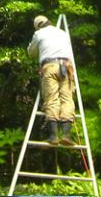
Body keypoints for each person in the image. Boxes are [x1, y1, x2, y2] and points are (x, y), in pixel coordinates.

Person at [27, 15, 76, 145]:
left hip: (50, 67)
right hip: (67, 67)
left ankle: (53, 136)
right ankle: (66, 135)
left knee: (51, 99)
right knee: (67, 99)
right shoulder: (63, 33)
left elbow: (31, 53)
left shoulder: (39, 33)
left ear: (38, 26)